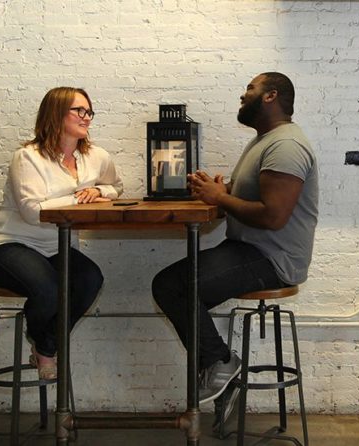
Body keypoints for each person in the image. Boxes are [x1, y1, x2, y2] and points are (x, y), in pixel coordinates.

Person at [151, 72, 319, 410]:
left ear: (271, 96)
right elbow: (256, 195)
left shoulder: (285, 146)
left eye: (250, 89)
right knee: (174, 287)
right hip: (251, 249)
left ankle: (221, 364)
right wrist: (221, 190)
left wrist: (221, 198)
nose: (243, 96)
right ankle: (220, 376)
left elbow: (273, 216)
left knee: (173, 287)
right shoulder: (264, 141)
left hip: (273, 258)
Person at [0, 87, 124, 380]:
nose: (86, 118)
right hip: (8, 245)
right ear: (56, 113)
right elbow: (33, 211)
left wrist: (97, 190)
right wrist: (77, 198)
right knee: (48, 289)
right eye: (79, 111)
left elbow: (116, 188)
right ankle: (45, 345)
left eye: (89, 111)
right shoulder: (27, 157)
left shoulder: (97, 156)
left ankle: (46, 346)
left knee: (90, 280)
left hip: (55, 247)